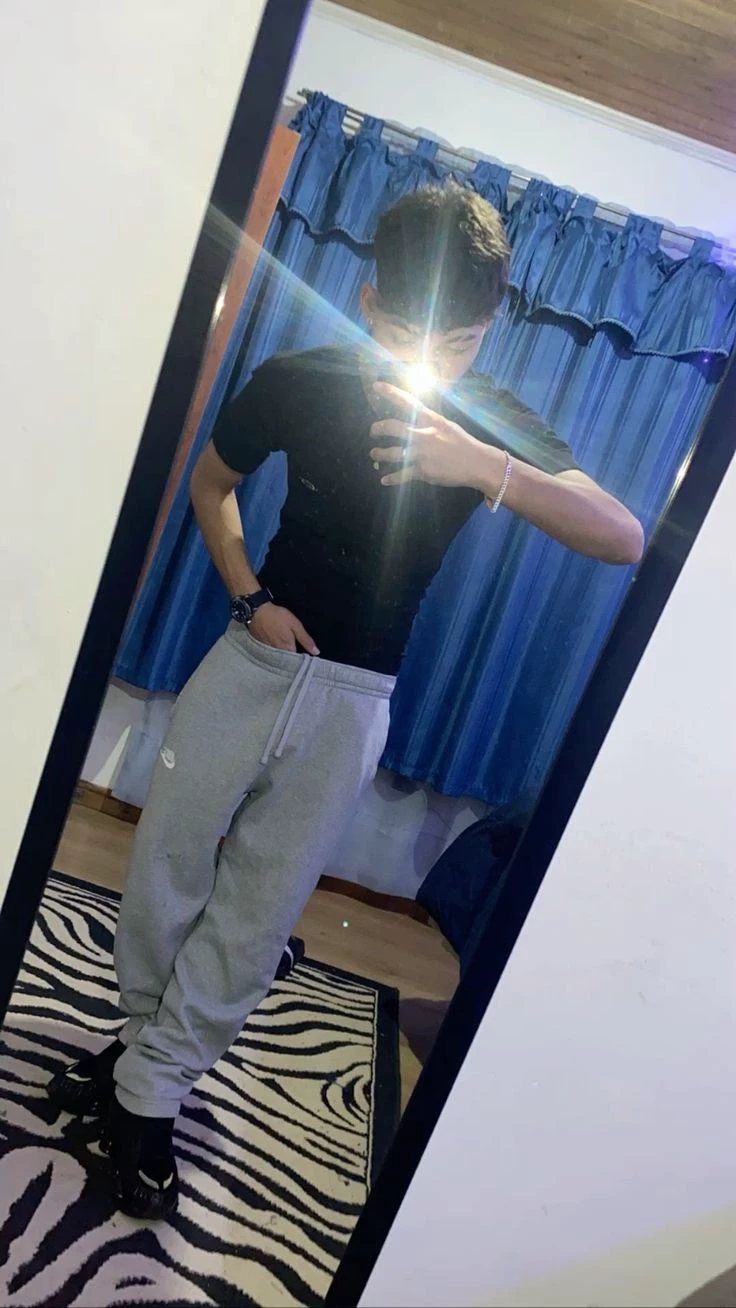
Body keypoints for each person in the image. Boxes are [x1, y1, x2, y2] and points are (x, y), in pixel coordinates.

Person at [49, 183, 644, 1218]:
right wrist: (250, 597)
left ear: (490, 326)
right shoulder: (300, 377)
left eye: (459, 341)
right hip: (250, 662)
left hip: (356, 696)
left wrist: (482, 465)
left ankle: (146, 1088)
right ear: (369, 303)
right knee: (166, 865)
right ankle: (148, 1059)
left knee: (260, 904)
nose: (434, 360)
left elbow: (623, 536)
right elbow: (210, 484)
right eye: (411, 333)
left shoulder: (491, 418)